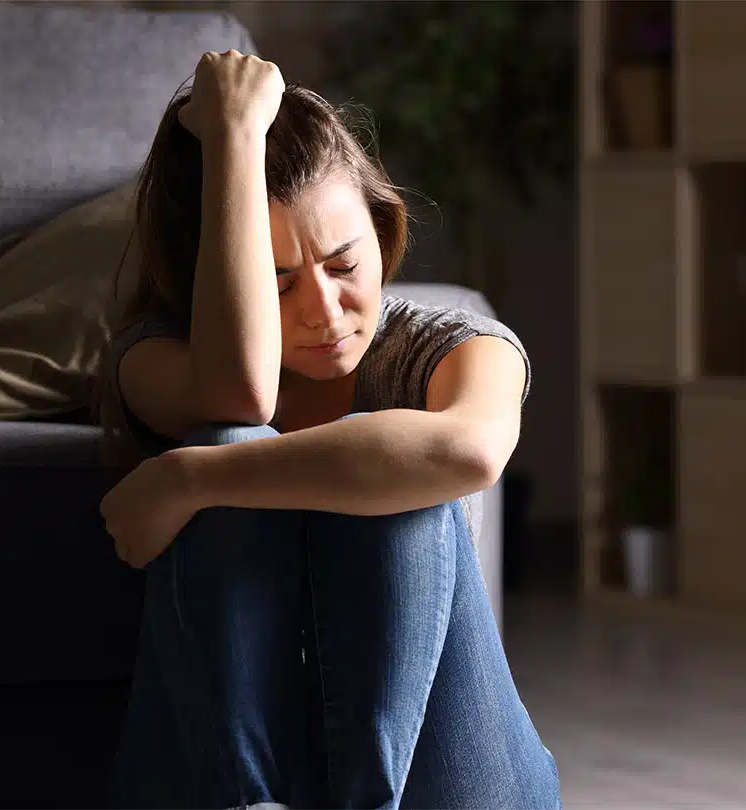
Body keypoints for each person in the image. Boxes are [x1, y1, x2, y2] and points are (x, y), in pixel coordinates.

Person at [97, 50, 561, 810]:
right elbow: (239, 395)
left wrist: (187, 479)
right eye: (277, 282)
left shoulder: (454, 346)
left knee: (399, 467)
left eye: (344, 265)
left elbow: (469, 450)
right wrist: (235, 134)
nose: (322, 311)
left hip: (445, 786)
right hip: (224, 782)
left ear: (382, 229)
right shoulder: (156, 356)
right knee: (230, 437)